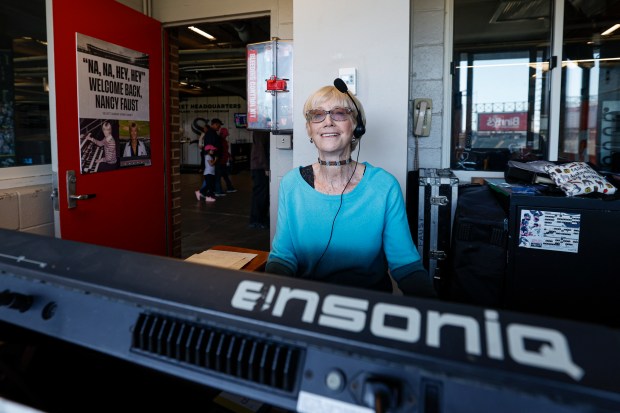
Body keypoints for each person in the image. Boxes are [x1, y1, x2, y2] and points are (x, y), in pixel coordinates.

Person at [265, 85, 436, 298]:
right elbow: (283, 257)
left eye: (339, 113)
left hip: (367, 307)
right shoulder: (291, 184)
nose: (328, 121)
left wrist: (433, 313)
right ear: (310, 129)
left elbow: (406, 265)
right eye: (317, 115)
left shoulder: (384, 186)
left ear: (356, 126)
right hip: (305, 305)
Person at [249, 130, 270, 229]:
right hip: (259, 168)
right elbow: (260, 150)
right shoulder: (260, 132)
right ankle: (256, 221)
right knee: (260, 195)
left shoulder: (260, 131)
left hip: (259, 166)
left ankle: (261, 218)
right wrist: (265, 167)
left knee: (263, 195)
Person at [211, 119, 237, 196]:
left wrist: (229, 156)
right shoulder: (220, 140)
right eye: (225, 134)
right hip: (220, 160)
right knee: (219, 176)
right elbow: (220, 150)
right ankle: (218, 191)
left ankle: (229, 188)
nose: (226, 135)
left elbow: (225, 150)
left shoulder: (224, 140)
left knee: (224, 175)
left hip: (223, 160)